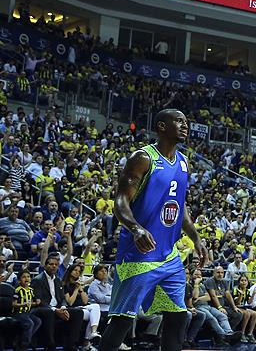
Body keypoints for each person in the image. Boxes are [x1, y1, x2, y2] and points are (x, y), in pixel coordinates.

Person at [99, 109, 208, 351]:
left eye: (186, 121)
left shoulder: (183, 161)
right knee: (122, 320)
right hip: (138, 255)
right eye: (178, 121)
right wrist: (136, 228)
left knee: (179, 316)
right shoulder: (143, 158)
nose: (184, 125)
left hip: (169, 255)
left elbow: (180, 205)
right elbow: (120, 202)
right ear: (161, 126)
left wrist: (196, 238)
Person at [31, 252, 85, 351]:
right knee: (49, 312)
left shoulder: (58, 280)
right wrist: (55, 310)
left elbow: (62, 299)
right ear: (45, 266)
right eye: (51, 264)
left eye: (56, 265)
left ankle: (70, 345)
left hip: (57, 308)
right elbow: (39, 300)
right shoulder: (37, 280)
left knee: (78, 312)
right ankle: (50, 345)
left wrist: (63, 308)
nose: (54, 266)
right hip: (42, 309)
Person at [11, 268, 42, 351]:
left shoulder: (31, 290)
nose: (26, 278)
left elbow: (35, 302)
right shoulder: (17, 290)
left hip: (27, 313)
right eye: (23, 277)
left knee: (38, 321)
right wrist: (23, 304)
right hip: (18, 313)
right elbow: (13, 304)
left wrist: (37, 302)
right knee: (30, 323)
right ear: (19, 280)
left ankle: (20, 339)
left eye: (28, 277)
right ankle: (23, 345)